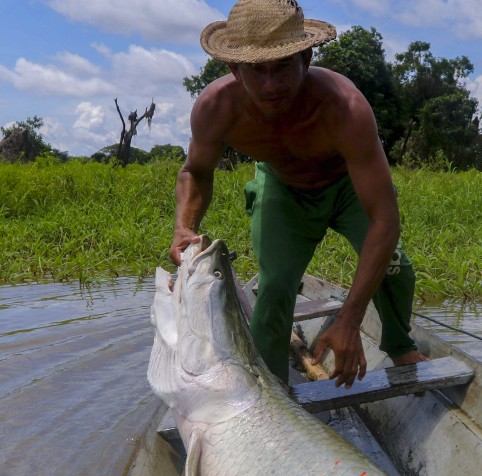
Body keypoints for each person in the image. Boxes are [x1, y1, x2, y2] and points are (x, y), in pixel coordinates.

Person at [171, 0, 426, 387]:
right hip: (282, 186)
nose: (271, 85)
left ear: (306, 58)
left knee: (397, 270)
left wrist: (350, 319)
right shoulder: (216, 107)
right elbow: (196, 172)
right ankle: (270, 388)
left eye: (283, 67)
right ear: (234, 69)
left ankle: (398, 343)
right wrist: (185, 226)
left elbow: (385, 220)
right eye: (257, 71)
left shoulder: (345, 107)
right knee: (274, 288)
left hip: (346, 187)